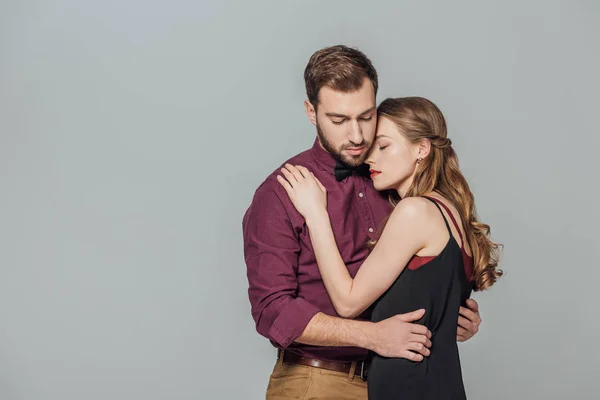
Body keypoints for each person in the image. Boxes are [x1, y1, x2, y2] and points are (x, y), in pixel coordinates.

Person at [242, 45, 483, 400]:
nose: (356, 136)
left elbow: (418, 272)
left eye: (366, 117)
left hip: (397, 378)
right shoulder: (282, 193)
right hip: (317, 382)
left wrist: (451, 314)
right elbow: (272, 311)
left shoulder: (392, 181)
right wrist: (372, 336)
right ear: (312, 112)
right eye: (339, 120)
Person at [276, 96, 502, 399]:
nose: (370, 158)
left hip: (409, 385)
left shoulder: (414, 212)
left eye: (383, 147)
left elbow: (347, 302)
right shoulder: (450, 212)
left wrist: (316, 214)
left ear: (421, 149)